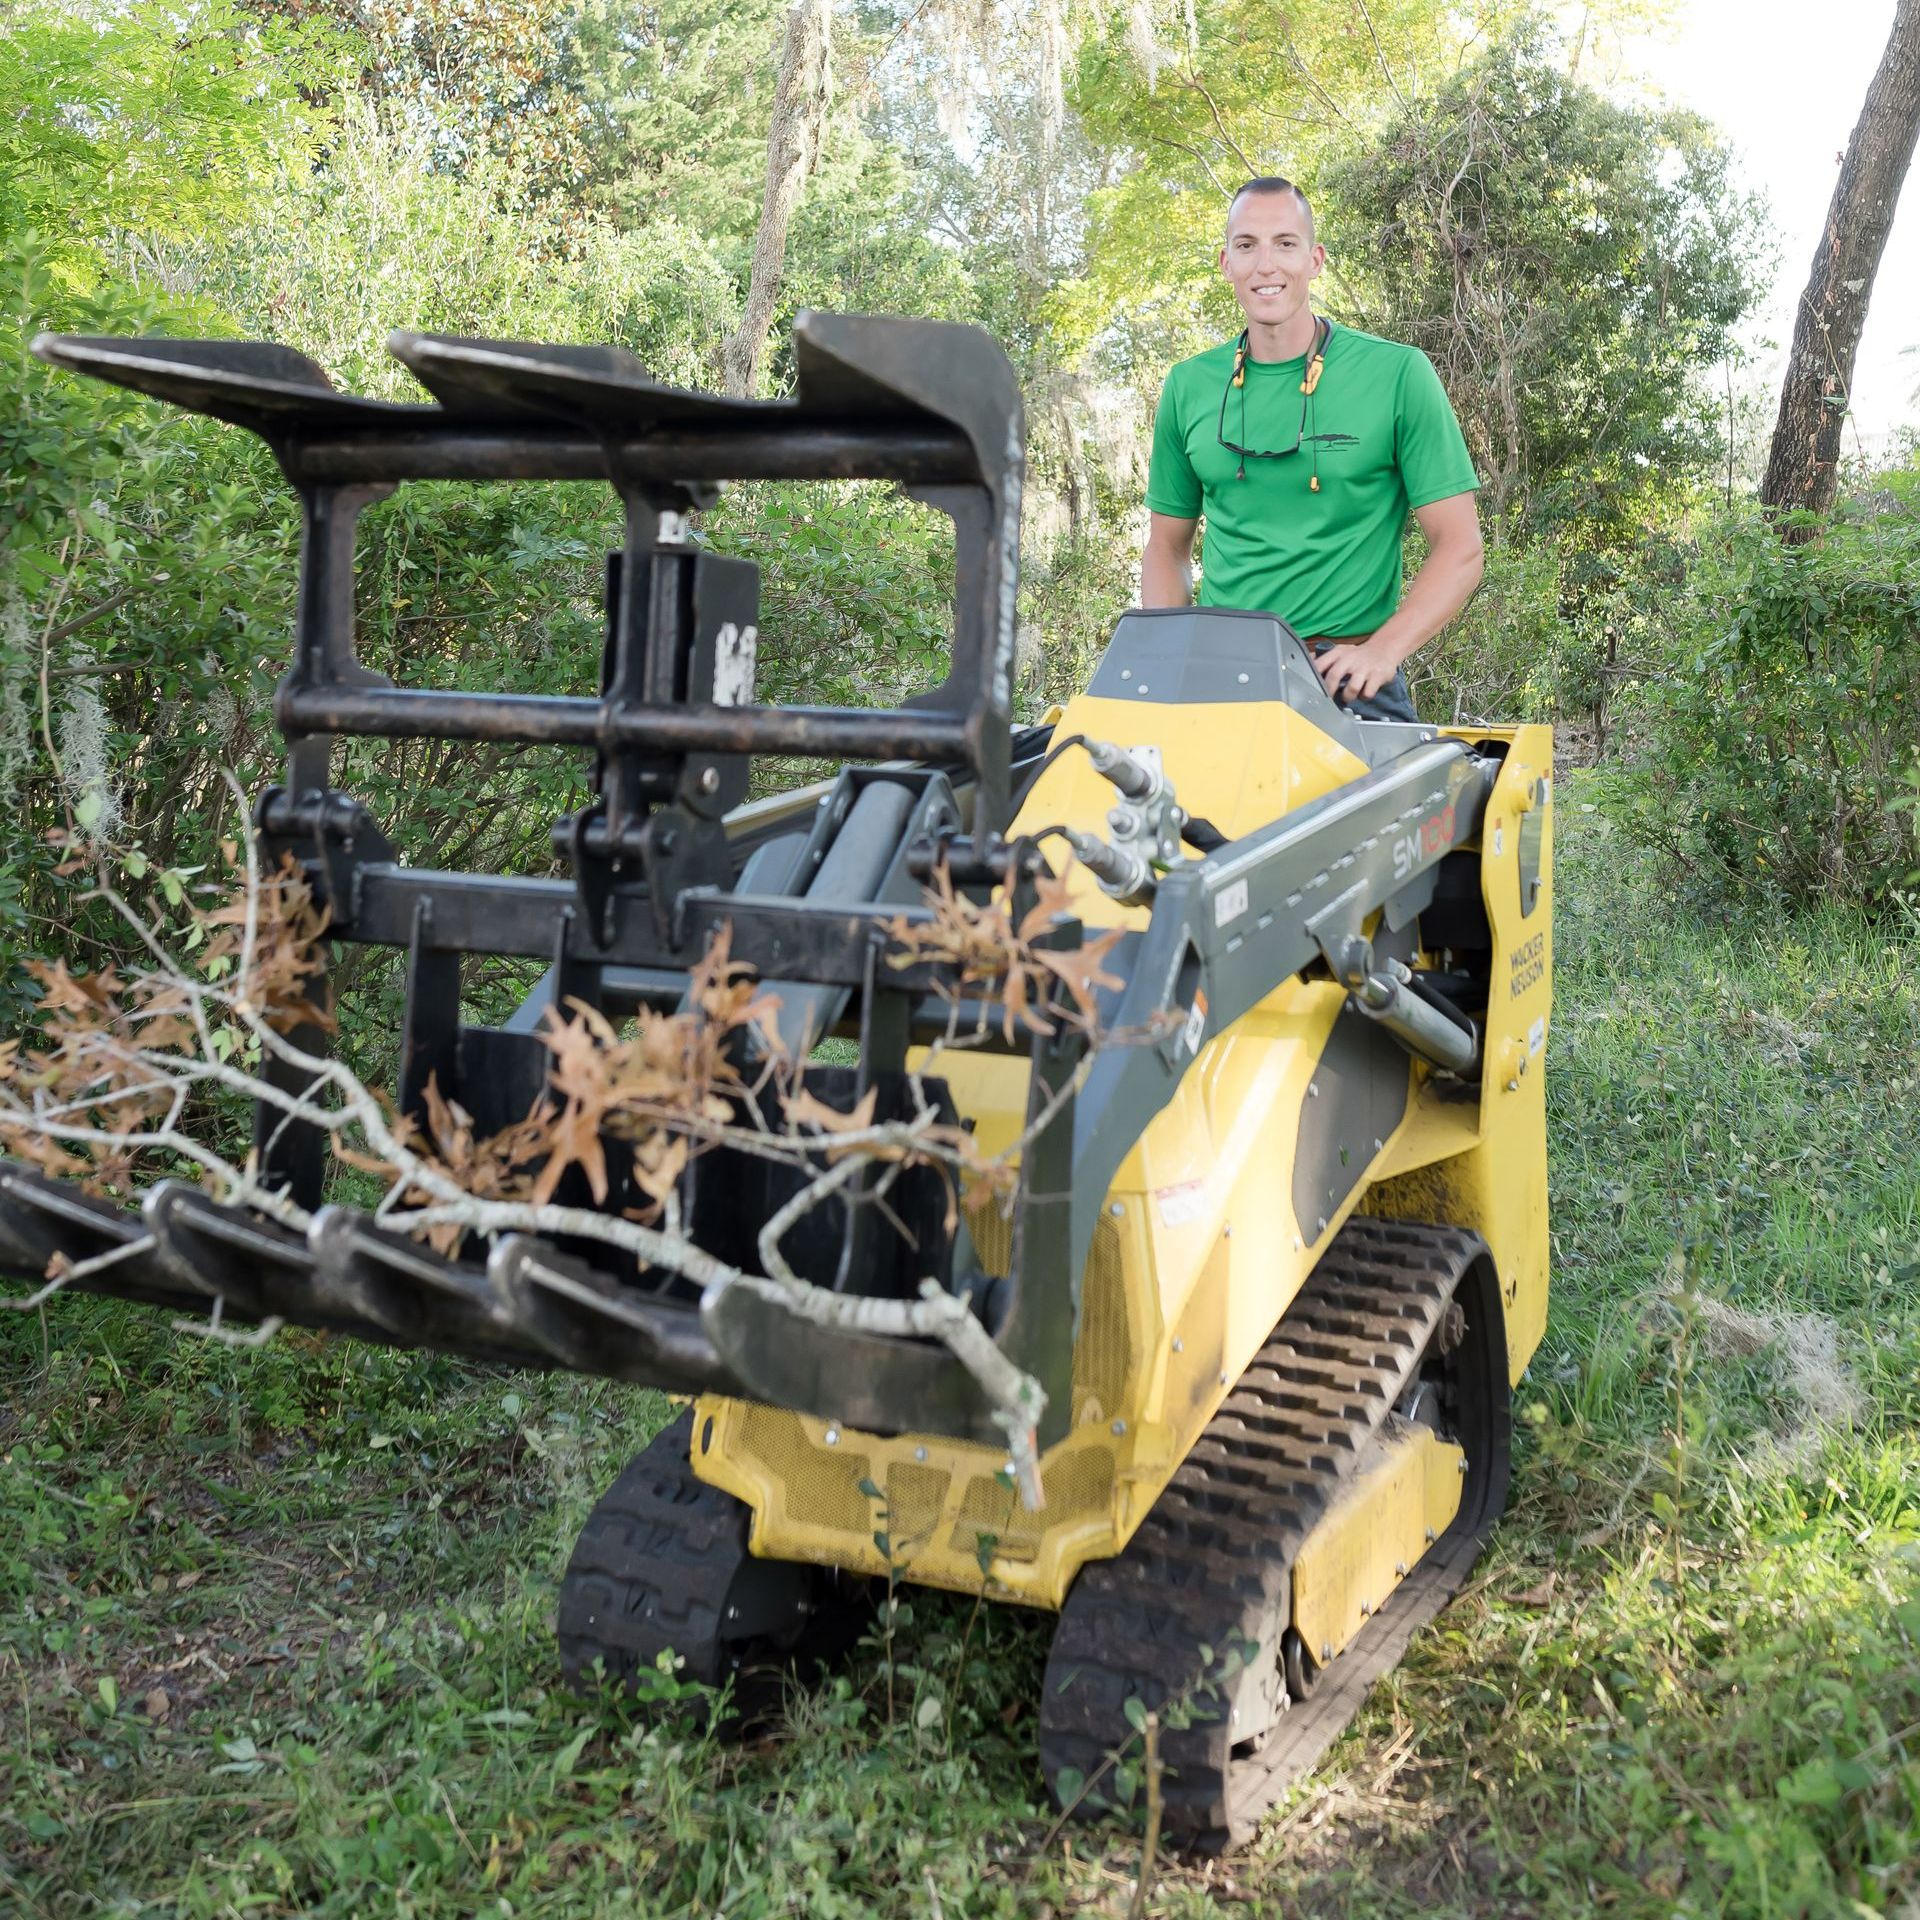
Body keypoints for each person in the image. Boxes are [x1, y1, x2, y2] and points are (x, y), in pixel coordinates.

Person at [1141, 176, 1483, 721]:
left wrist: (1383, 651)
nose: (1266, 265)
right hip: (1219, 675)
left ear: (1315, 258)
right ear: (1226, 262)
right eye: (1246, 246)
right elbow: (1167, 547)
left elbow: (1460, 547)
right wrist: (1164, 655)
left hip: (1343, 676)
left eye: (1285, 243)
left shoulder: (1397, 374)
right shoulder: (1188, 386)